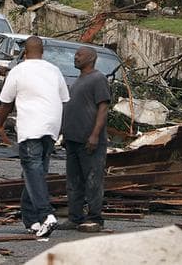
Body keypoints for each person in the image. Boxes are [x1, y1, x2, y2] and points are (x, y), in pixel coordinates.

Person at [0, 36, 69, 238]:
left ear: (25, 53)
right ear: (42, 52)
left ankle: (47, 215)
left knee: (32, 170)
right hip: (51, 128)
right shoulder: (54, 70)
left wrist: (0, 124)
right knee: (36, 172)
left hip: (31, 128)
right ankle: (32, 221)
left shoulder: (18, 71)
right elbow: (64, 100)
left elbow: (5, 102)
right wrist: (59, 128)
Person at [58, 47, 111, 233]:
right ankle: (75, 217)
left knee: (93, 180)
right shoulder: (78, 80)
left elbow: (103, 108)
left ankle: (95, 218)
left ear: (91, 58)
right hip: (73, 139)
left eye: (80, 55)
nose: (75, 57)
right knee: (73, 182)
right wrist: (65, 133)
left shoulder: (98, 79)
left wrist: (95, 135)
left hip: (89, 140)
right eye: (75, 54)